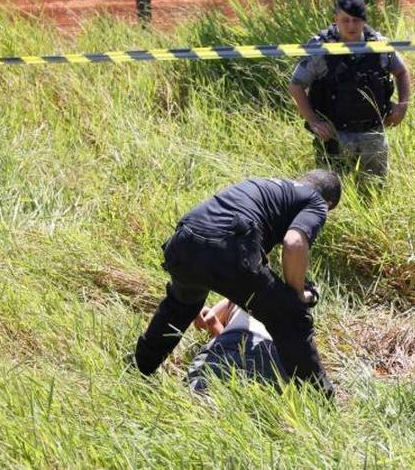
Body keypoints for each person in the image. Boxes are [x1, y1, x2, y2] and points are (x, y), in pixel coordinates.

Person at [133, 169, 341, 398]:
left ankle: (138, 371)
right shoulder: (316, 201)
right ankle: (321, 401)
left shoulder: (269, 185)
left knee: (179, 308)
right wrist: (296, 296)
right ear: (328, 203)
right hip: (228, 248)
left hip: (184, 240)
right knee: (291, 319)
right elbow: (294, 243)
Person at [289, 0, 412, 178]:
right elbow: (296, 85)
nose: (351, 25)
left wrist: (402, 106)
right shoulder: (321, 48)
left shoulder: (379, 44)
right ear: (335, 19)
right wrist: (314, 121)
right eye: (345, 20)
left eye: (356, 20)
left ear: (364, 20)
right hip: (335, 135)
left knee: (375, 189)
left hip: (373, 133)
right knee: (331, 192)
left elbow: (402, 72)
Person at [186, 299, 287, 392]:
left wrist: (208, 314)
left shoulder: (242, 291)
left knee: (198, 396)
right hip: (273, 358)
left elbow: (207, 319)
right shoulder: (299, 296)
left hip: (234, 340)